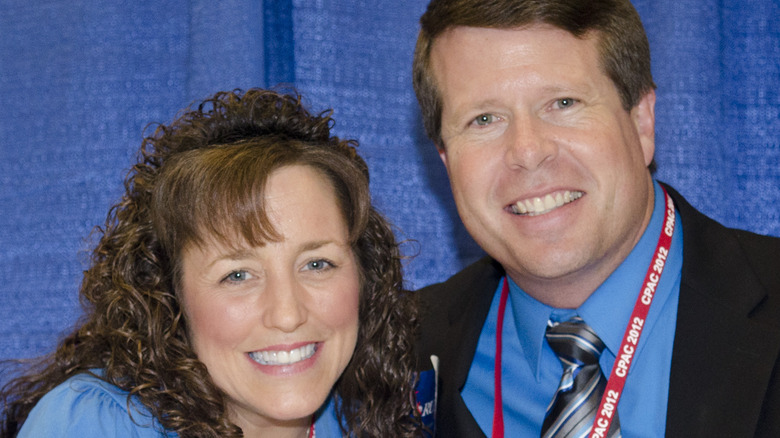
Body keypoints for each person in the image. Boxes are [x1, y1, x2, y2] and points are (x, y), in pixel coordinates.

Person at [411, 0, 780, 437]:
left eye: (563, 103)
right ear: (445, 159)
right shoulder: (400, 353)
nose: (528, 152)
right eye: (484, 119)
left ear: (642, 121)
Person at [0, 88, 424, 437]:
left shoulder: (371, 421)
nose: (288, 313)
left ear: (365, 274)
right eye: (237, 275)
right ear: (167, 296)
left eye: (317, 264)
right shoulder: (93, 426)